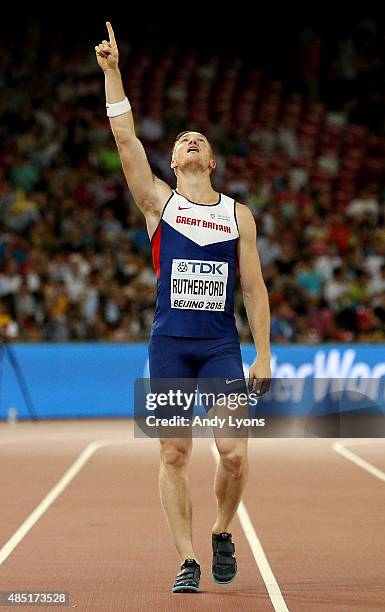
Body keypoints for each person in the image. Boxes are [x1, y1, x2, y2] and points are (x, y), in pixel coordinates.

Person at [95, 22, 271, 593]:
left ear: (212, 161)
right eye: (182, 139)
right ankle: (188, 559)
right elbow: (125, 141)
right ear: (172, 162)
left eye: (201, 138)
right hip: (170, 344)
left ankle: (222, 530)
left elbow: (253, 289)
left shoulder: (238, 215)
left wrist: (263, 354)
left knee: (234, 455)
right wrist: (113, 73)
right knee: (173, 453)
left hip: (221, 346)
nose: (192, 139)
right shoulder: (158, 204)